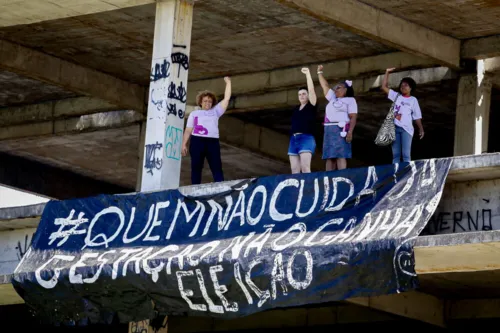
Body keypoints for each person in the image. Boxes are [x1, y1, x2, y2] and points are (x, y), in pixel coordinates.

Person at [182, 77, 231, 185]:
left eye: (209, 101)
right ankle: (195, 188)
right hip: (197, 141)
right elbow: (188, 130)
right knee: (196, 166)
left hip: (212, 141)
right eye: (205, 101)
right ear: (200, 102)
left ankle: (220, 186)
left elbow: (226, 98)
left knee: (216, 166)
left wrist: (228, 82)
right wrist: (184, 144)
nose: (207, 103)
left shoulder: (216, 111)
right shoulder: (194, 114)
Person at [317, 65, 357, 171]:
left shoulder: (350, 100)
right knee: (330, 156)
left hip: (342, 129)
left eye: (338, 87)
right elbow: (325, 86)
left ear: (346, 90)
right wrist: (319, 73)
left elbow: (353, 117)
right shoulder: (332, 98)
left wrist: (350, 132)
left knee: (341, 154)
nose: (335, 89)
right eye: (335, 87)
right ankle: (329, 178)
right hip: (329, 129)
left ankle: (341, 176)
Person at [381, 68, 424, 164]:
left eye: (406, 85)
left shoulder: (413, 100)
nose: (403, 86)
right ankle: (396, 174)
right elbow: (384, 87)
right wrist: (387, 72)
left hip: (407, 129)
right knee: (395, 155)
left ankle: (406, 174)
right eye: (402, 85)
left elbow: (417, 116)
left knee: (406, 155)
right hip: (395, 128)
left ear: (411, 88)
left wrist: (420, 128)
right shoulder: (396, 96)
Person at [288, 67, 318, 174]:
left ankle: (308, 189)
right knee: (294, 169)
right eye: (300, 94)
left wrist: (308, 74)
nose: (301, 96)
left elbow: (311, 90)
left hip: (306, 138)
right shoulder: (296, 109)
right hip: (294, 139)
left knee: (305, 168)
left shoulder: (311, 106)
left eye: (304, 94)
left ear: (308, 96)